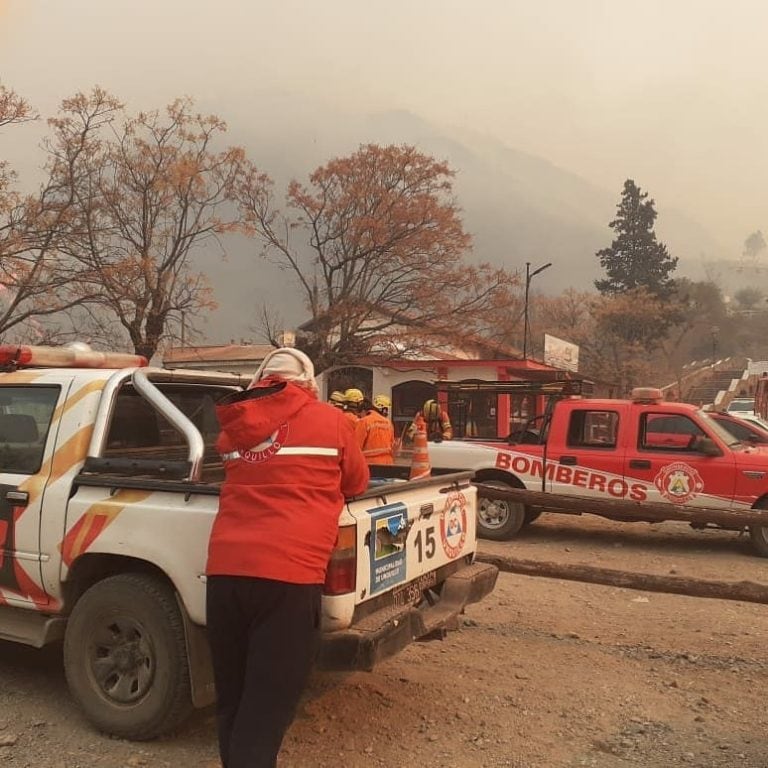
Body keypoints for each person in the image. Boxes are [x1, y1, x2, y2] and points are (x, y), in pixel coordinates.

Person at [206, 348, 370, 768]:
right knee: (268, 705)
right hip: (289, 578)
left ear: (260, 380)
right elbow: (357, 481)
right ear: (309, 386)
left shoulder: (230, 430)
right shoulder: (332, 421)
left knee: (234, 697)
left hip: (226, 574)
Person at [356, 394, 395, 465]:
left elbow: (356, 446)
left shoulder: (364, 421)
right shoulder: (388, 423)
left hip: (370, 464)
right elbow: (392, 445)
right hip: (388, 463)